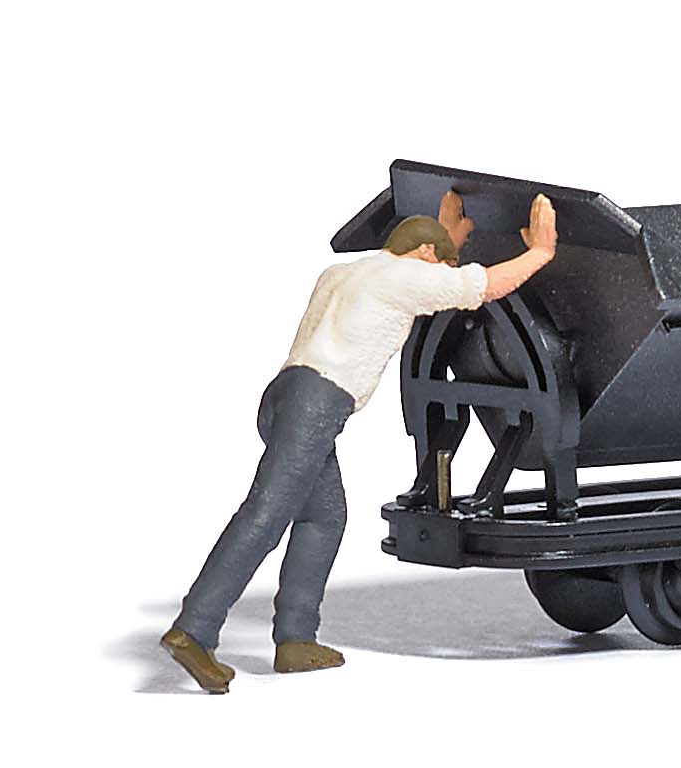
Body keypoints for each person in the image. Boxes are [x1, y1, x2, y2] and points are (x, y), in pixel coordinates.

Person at [161, 192, 559, 693]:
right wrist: (539, 253)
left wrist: (447, 234)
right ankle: (194, 629)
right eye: (441, 259)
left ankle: (296, 639)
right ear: (425, 254)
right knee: (265, 515)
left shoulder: (345, 272)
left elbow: (434, 271)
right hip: (316, 405)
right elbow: (482, 286)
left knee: (325, 516)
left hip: (285, 397)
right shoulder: (406, 277)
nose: (443, 270)